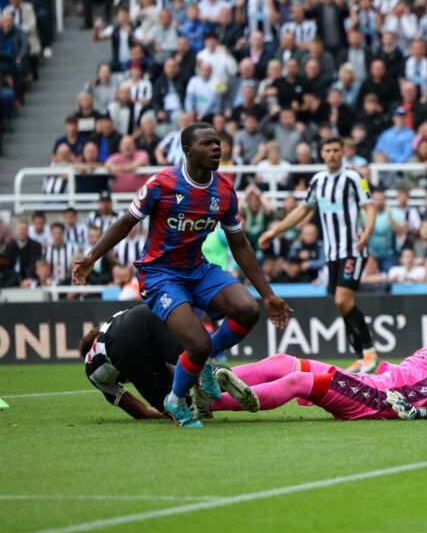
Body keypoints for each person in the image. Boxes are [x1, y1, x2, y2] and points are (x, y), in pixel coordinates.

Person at [72, 122, 293, 428]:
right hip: (160, 275)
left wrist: (268, 295)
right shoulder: (161, 184)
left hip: (197, 269)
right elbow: (126, 222)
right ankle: (175, 402)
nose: (216, 147)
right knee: (198, 344)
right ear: (188, 151)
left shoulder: (225, 190)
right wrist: (91, 257)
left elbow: (239, 244)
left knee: (247, 310)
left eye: (217, 142)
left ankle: (201, 367)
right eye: (207, 143)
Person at [209, 289, 427, 420]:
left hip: (379, 400)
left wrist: (419, 414)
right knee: (282, 362)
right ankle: (204, 384)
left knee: (299, 381)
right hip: (371, 384)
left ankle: (207, 405)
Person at [258, 136, 380, 373]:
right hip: (332, 254)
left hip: (352, 249)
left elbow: (370, 207)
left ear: (343, 152)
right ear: (322, 154)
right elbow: (304, 209)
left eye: (336, 150)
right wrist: (275, 231)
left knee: (342, 300)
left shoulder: (354, 178)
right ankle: (360, 355)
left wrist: (366, 233)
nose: (332, 154)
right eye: (328, 150)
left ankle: (369, 351)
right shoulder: (318, 180)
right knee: (342, 304)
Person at [80, 304, 257, 420]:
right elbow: (171, 367)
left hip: (122, 347)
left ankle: (193, 405)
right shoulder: (107, 326)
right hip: (146, 314)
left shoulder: (92, 370)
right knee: (194, 359)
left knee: (172, 405)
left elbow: (139, 411)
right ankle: (216, 370)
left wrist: (161, 409)